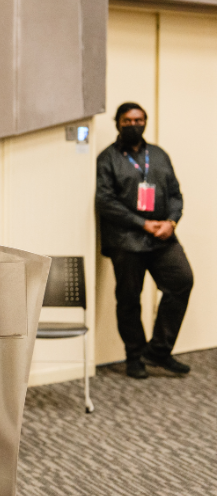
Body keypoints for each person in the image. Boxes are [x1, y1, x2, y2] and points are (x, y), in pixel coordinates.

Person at [96, 102, 193, 380]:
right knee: (129, 299)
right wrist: (143, 224)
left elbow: (175, 194)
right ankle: (134, 356)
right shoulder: (108, 158)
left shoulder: (158, 155)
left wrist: (171, 222)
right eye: (127, 121)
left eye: (138, 120)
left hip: (162, 237)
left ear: (145, 122)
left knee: (182, 281)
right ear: (118, 123)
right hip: (126, 240)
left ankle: (159, 351)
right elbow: (105, 201)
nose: (133, 125)